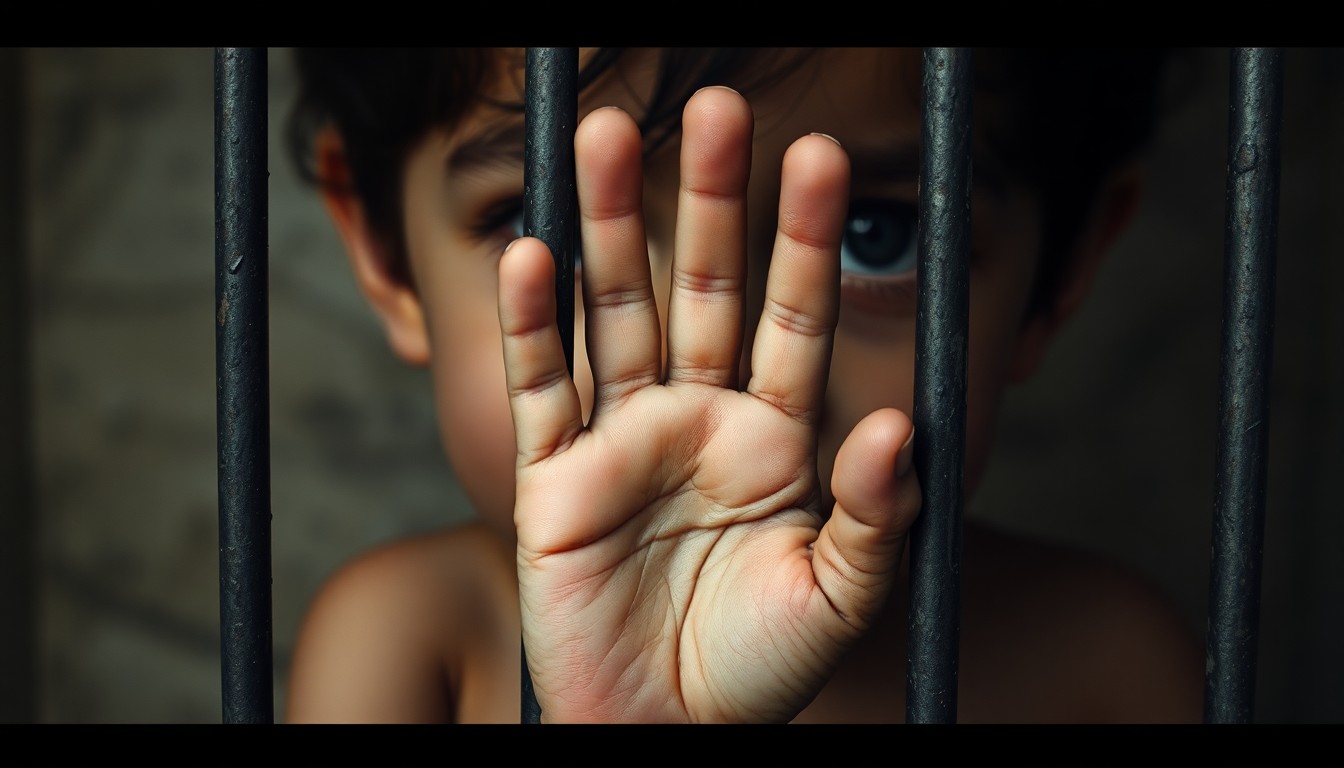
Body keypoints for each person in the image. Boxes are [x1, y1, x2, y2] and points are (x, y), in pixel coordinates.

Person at [281, 47, 1203, 723]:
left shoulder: (1106, 669)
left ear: (1064, 272)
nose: (707, 379)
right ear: (383, 255)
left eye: (871, 235)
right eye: (553, 221)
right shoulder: (411, 651)